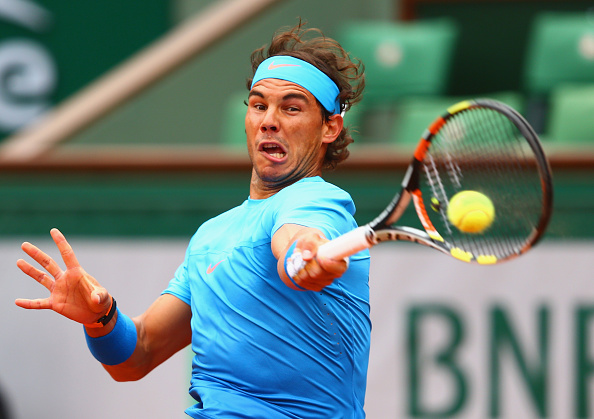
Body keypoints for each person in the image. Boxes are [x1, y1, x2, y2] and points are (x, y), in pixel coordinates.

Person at [14, 22, 369, 418]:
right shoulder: (211, 236)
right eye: (258, 105)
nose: (270, 120)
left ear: (330, 127)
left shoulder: (317, 199)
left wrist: (305, 258)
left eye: (291, 107)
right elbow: (139, 354)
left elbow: (296, 241)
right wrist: (102, 318)